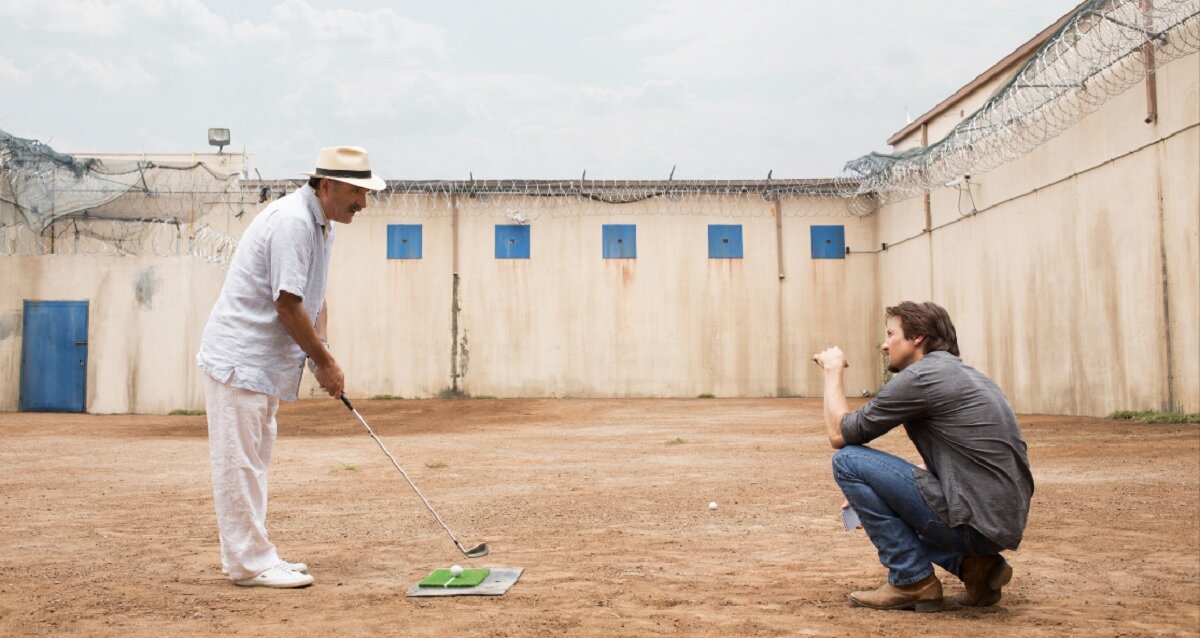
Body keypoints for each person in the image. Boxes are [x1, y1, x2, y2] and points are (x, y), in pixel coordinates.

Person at [196, 146, 385, 588]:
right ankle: (248, 564)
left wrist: (324, 353)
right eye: (357, 191)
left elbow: (314, 297)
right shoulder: (293, 223)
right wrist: (325, 362)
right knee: (239, 463)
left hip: (262, 364)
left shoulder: (322, 226)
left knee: (254, 461)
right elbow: (287, 303)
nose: (363, 202)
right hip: (239, 359)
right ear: (326, 185)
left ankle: (257, 555)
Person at [812, 301, 1034, 612]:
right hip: (1000, 522)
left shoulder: (921, 378)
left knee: (848, 461)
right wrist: (881, 493)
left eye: (891, 334)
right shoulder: (972, 377)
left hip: (973, 523)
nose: (885, 344)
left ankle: (911, 580)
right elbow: (966, 458)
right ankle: (976, 567)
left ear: (917, 338)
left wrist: (832, 371)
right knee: (873, 480)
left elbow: (840, 434)